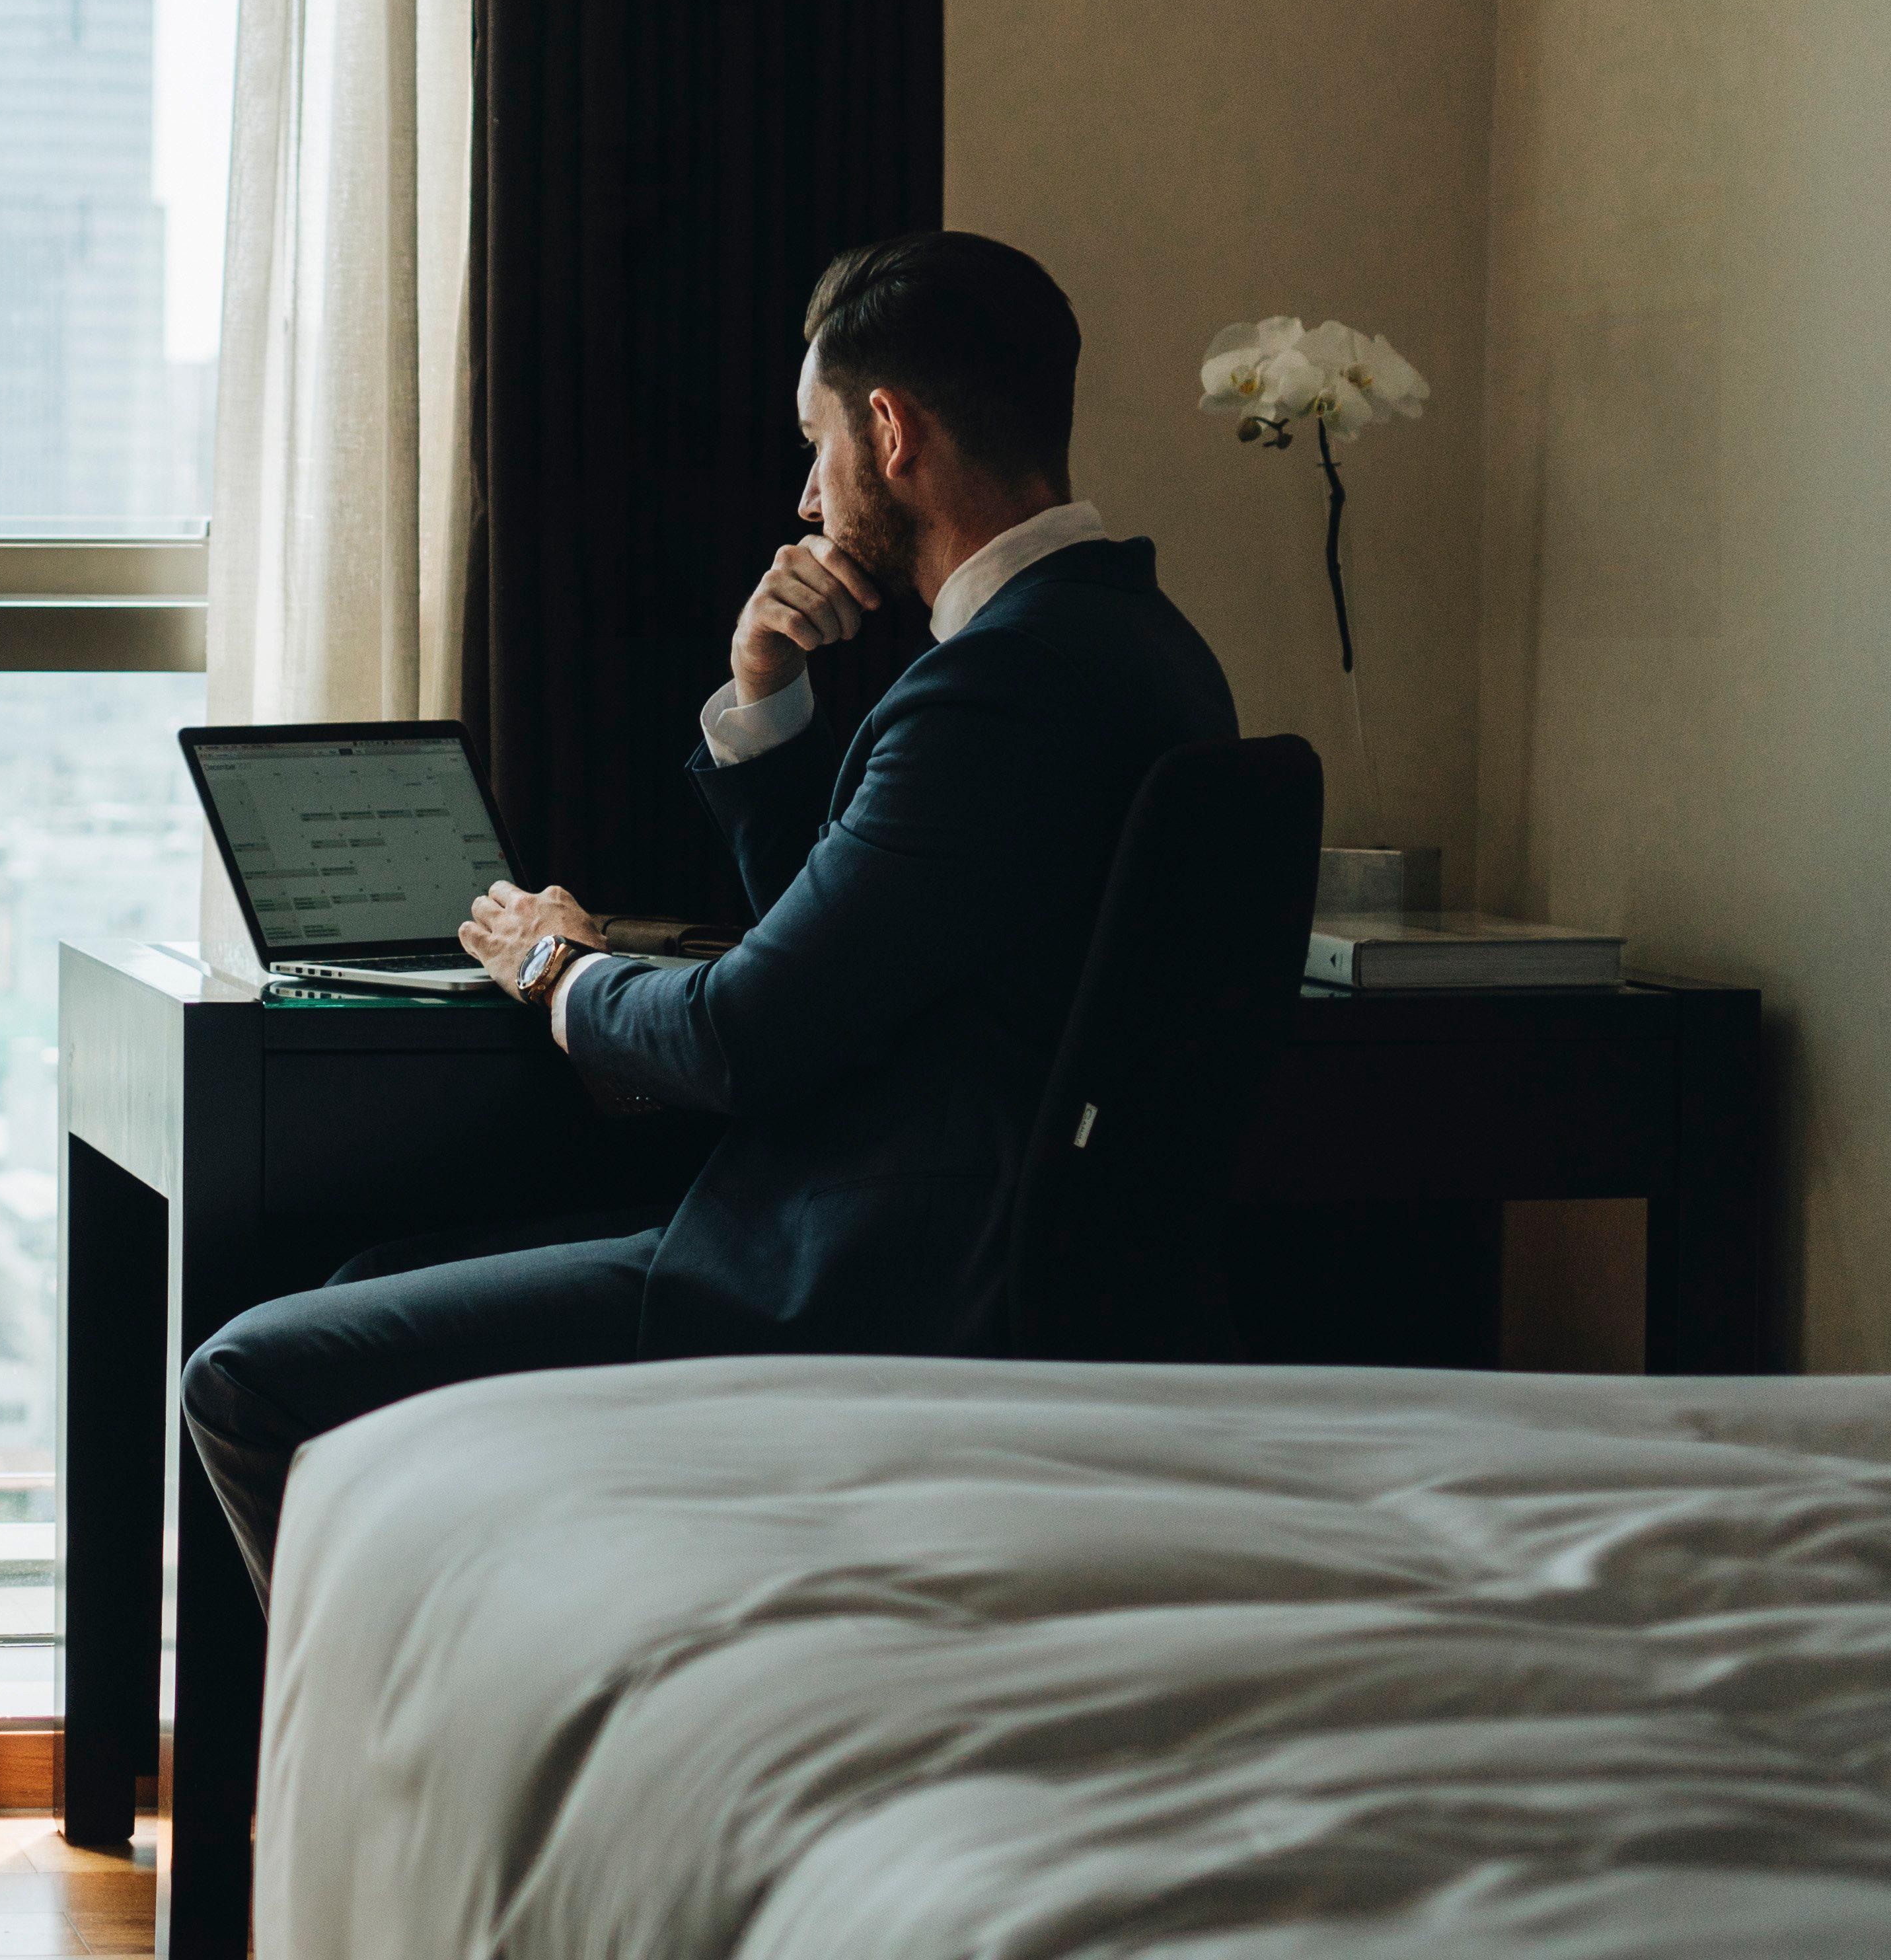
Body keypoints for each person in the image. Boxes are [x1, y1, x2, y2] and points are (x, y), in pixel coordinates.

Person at [178, 230, 1239, 1598]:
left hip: (857, 1285)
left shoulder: (993, 692)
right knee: (378, 1271)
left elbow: (745, 1035)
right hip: (974, 1254)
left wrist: (557, 962)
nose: (807, 498)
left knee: (252, 1373)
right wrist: (767, 695)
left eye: (818, 445)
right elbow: (859, 949)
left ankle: (423, 1742)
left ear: (891, 431)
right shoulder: (1143, 647)